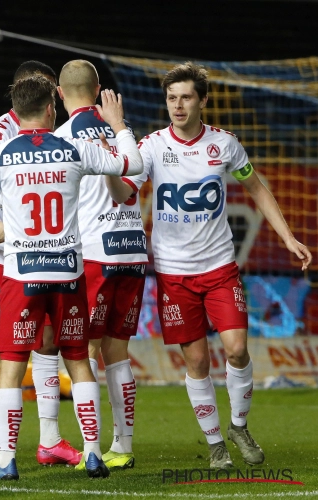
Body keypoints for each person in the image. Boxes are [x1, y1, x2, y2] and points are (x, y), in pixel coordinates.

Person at [107, 61, 312, 469]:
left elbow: (255, 186)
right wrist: (111, 162)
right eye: (171, 98)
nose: (177, 106)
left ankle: (239, 425)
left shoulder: (225, 144)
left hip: (220, 267)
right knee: (197, 361)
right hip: (174, 272)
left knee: (236, 349)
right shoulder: (150, 147)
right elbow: (122, 192)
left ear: (202, 100)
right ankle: (216, 443)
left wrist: (288, 236)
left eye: (185, 97)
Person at [0, 75, 144, 480]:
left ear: (16, 111)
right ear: (52, 108)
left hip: (23, 275)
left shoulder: (2, 155)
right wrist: (119, 126)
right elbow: (133, 165)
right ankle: (92, 453)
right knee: (79, 362)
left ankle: (5, 460)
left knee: (13, 365)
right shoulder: (75, 148)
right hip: (68, 273)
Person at [0, 61, 81, 470]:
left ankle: (50, 440)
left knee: (46, 341)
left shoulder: (53, 135)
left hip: (38, 257)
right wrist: (7, 229)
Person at [54, 60, 147, 471]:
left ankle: (91, 449)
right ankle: (122, 445)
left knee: (84, 350)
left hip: (93, 252)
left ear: (59, 93)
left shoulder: (61, 139)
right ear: (97, 90)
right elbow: (131, 184)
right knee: (118, 352)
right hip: (131, 249)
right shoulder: (123, 131)